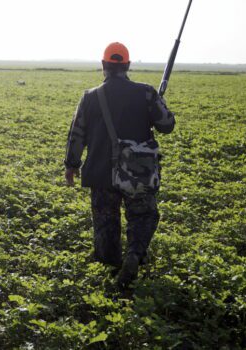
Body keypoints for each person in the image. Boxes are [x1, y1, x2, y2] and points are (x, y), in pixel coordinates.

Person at [64, 42, 175, 288]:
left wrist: (71, 165)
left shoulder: (90, 97)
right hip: (138, 172)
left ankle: (109, 272)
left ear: (103, 65)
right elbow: (167, 125)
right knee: (143, 215)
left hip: (101, 172)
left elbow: (77, 133)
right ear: (127, 65)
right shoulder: (146, 92)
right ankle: (134, 254)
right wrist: (158, 102)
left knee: (105, 223)